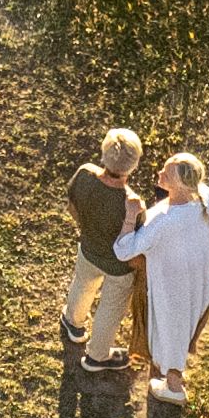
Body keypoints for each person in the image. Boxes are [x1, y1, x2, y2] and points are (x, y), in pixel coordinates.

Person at [133, 150, 209, 403]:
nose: (159, 173)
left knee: (174, 329)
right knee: (183, 327)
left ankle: (173, 386)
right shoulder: (207, 197)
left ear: (180, 183)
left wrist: (129, 223)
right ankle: (170, 374)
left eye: (166, 173)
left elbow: (129, 249)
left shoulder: (163, 216)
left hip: (176, 284)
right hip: (201, 279)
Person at [64, 129, 144, 369]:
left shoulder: (84, 174)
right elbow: (134, 244)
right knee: (110, 309)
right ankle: (97, 356)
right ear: (134, 165)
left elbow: (72, 205)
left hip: (88, 250)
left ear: (103, 153)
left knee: (82, 286)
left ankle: (74, 324)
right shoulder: (133, 203)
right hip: (118, 268)